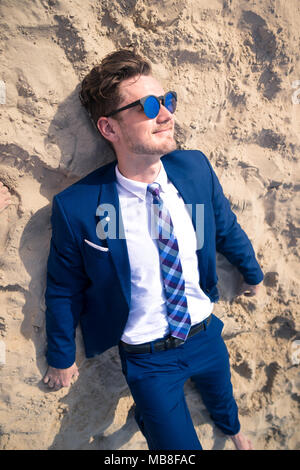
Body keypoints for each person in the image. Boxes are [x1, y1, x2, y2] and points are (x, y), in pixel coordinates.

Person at [43, 49, 263, 450]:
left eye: (167, 100)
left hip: (205, 332)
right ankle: (150, 416)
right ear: (109, 128)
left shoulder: (193, 170)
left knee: (222, 395)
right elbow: (63, 288)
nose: (165, 114)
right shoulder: (79, 207)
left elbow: (225, 226)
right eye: (147, 106)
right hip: (148, 359)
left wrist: (252, 274)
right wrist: (61, 356)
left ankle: (231, 429)